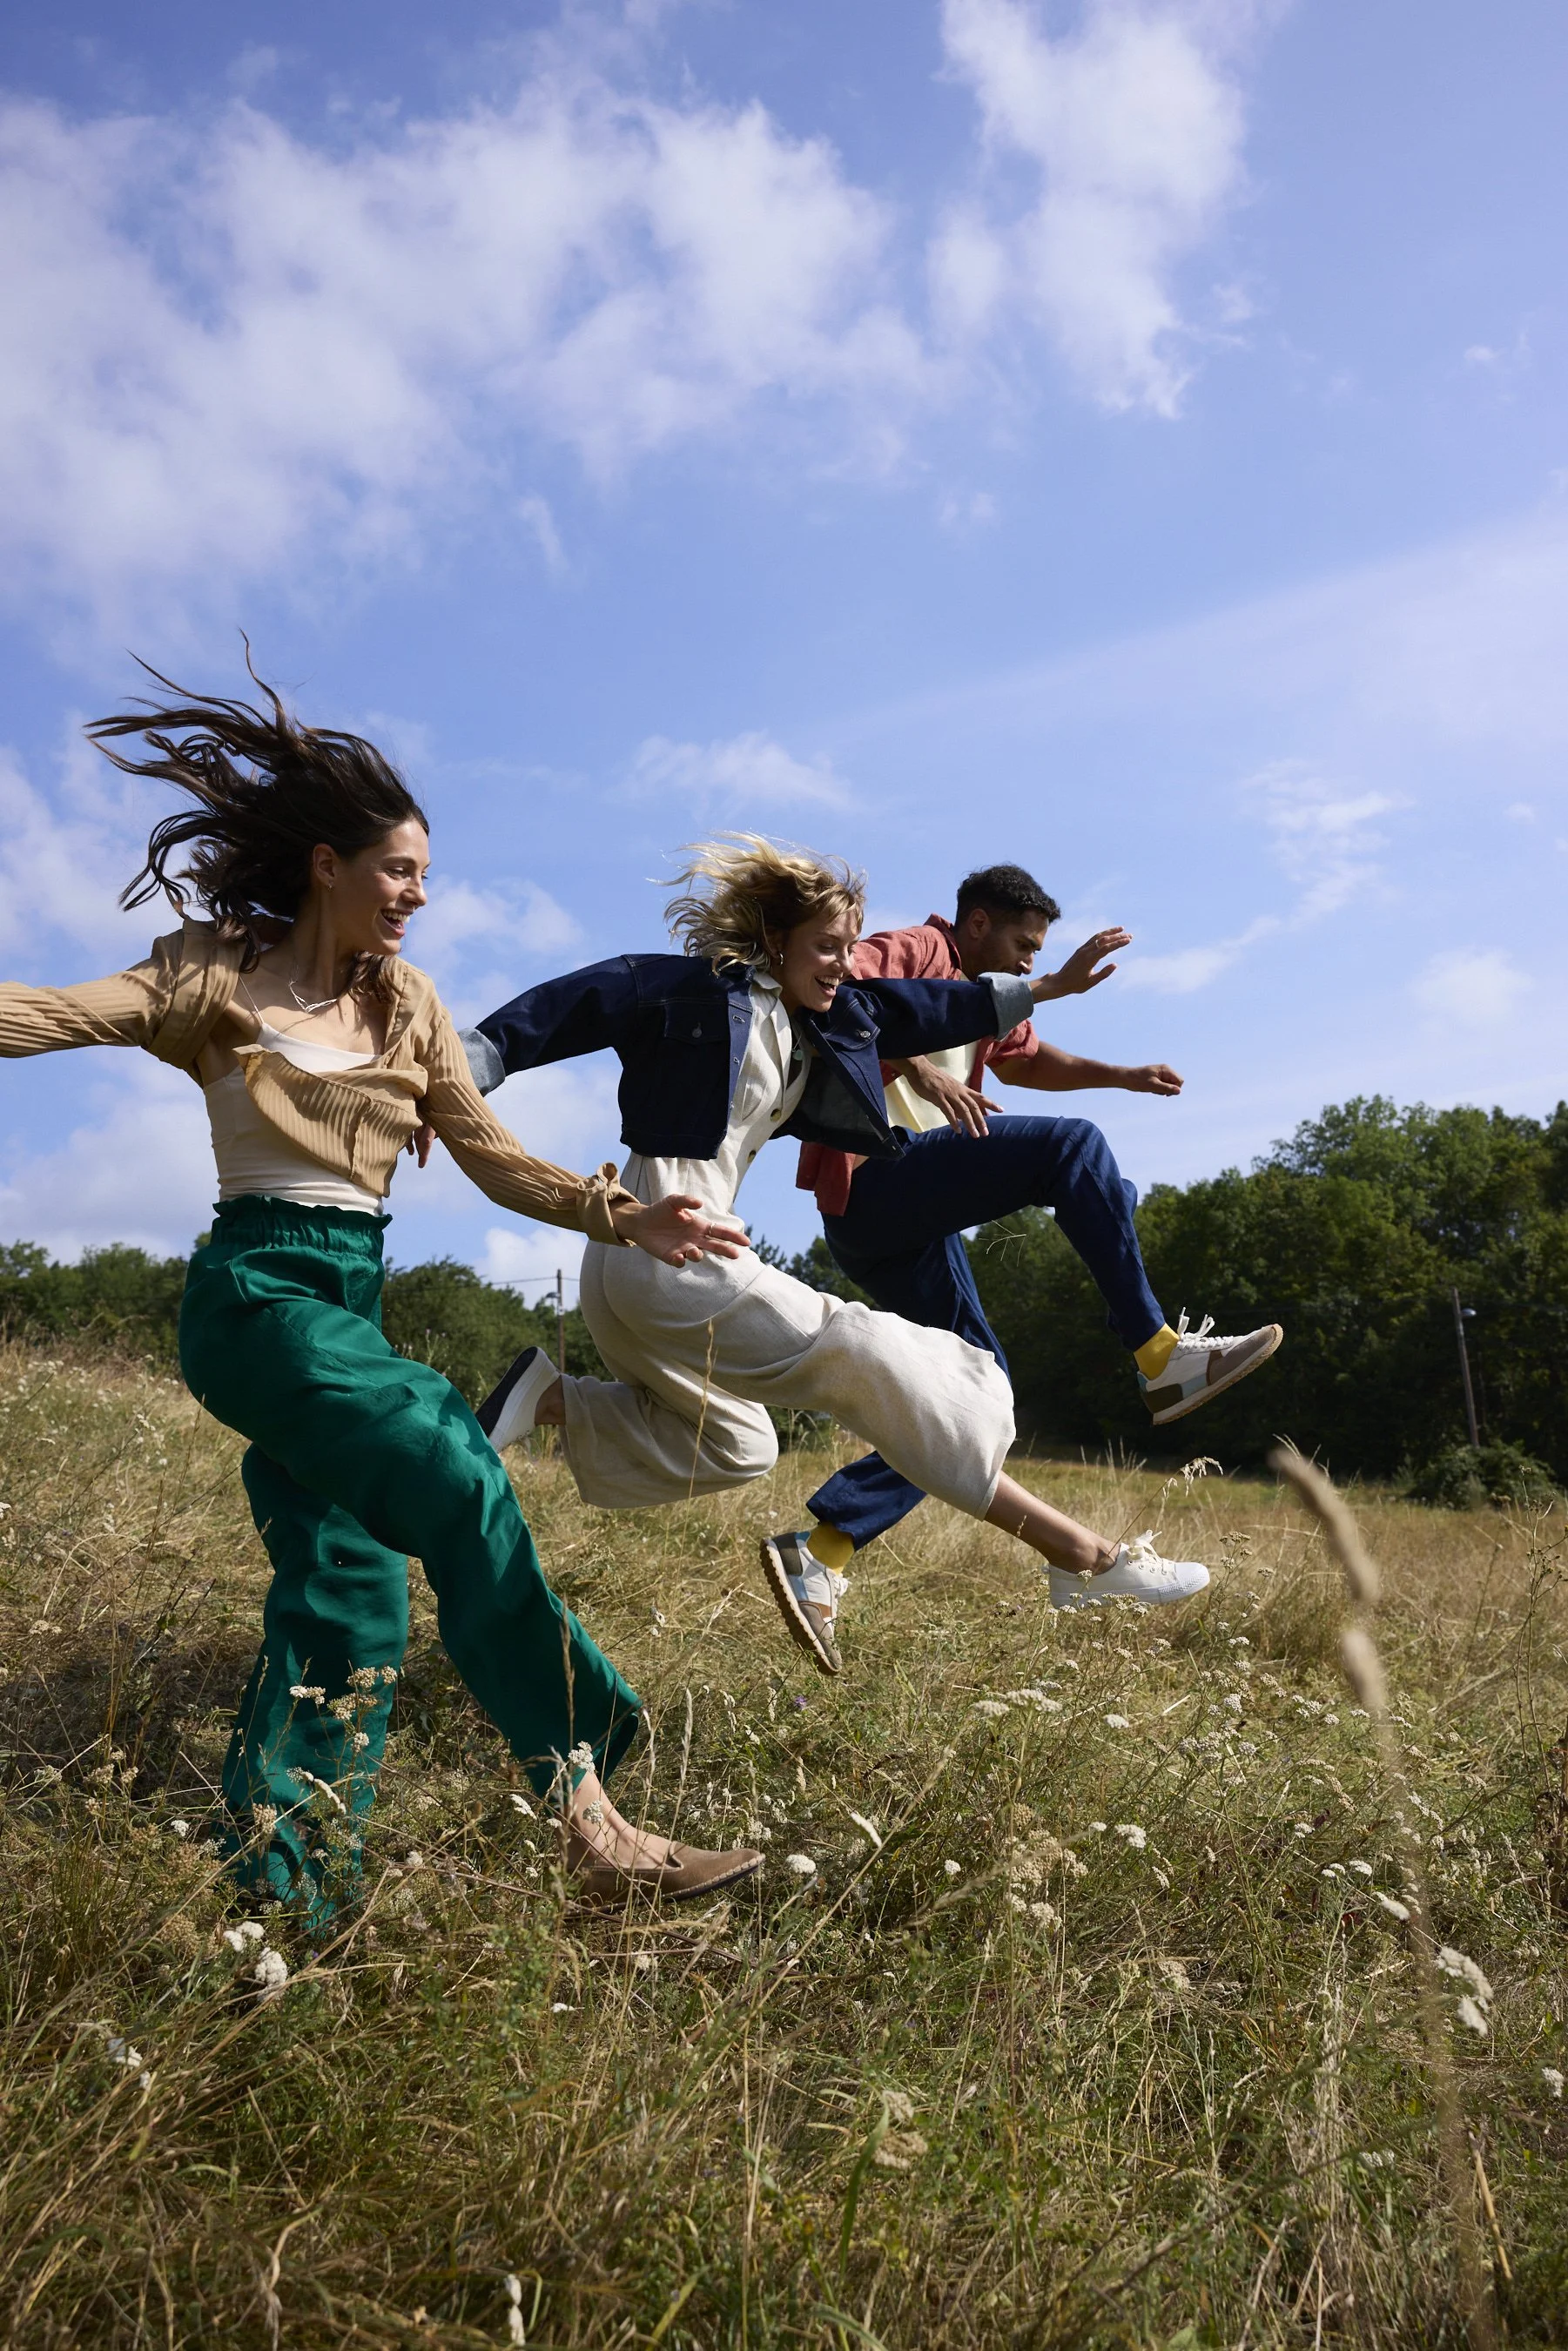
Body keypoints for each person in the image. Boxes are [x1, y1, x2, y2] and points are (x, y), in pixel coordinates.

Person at [0, 670, 762, 1917]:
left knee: (348, 1588)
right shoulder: (214, 982)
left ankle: (281, 1890)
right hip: (254, 1299)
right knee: (456, 1463)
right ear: (325, 865)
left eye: (422, 875)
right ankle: (594, 1826)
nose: (418, 895)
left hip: (346, 1306)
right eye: (399, 870)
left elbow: (491, 1153)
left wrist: (624, 1214)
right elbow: (50, 1014)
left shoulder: (405, 1008)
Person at [462, 836, 1211, 1654]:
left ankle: (548, 1398)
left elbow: (918, 1010)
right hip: (667, 1245)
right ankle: (1080, 1555)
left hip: (644, 1261)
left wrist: (1045, 989)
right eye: (826, 947)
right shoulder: (691, 989)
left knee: (739, 1445)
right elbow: (585, 998)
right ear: (775, 939)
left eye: (849, 948)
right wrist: (472, 1061)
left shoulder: (823, 1018)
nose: (841, 965)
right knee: (865, 1351)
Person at [764, 863, 1282, 1668]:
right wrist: (924, 1070)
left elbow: (1027, 1061)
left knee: (976, 1395)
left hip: (914, 1220)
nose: (1024, 962)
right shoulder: (912, 951)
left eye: (1035, 951)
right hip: (872, 1182)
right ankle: (1157, 1355)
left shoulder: (986, 1000)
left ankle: (821, 1551)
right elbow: (832, 1005)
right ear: (975, 924)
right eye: (1019, 945)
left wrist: (1120, 1074)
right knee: (1072, 1149)